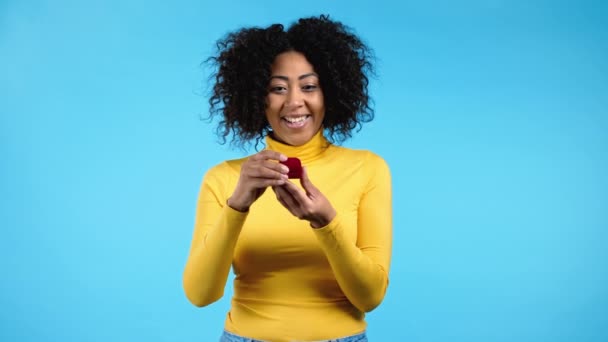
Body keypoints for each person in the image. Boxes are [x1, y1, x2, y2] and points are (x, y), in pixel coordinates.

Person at [183, 15, 392, 342]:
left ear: (330, 93)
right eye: (277, 88)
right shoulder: (223, 178)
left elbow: (371, 297)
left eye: (309, 86)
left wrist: (326, 223)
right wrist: (237, 205)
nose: (295, 102)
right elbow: (200, 295)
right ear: (256, 98)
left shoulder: (368, 168)